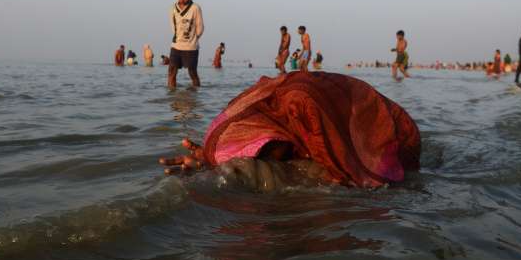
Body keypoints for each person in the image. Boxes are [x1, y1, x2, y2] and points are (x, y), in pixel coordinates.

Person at [159, 71, 421, 189]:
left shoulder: (306, 110)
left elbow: (359, 181)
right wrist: (210, 159)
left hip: (396, 136)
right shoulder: (265, 114)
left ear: (273, 135)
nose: (261, 163)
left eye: (262, 154)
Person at [168, 0, 204, 90]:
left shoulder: (195, 8)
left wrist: (193, 39)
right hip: (176, 46)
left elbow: (200, 28)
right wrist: (178, 38)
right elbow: (173, 26)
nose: (182, 0)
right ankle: (172, 97)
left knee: (192, 72)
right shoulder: (173, 8)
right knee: (171, 72)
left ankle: (195, 95)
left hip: (191, 47)